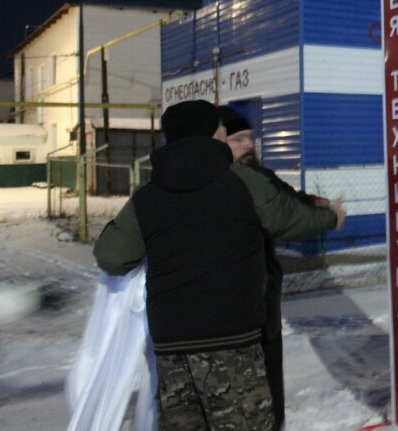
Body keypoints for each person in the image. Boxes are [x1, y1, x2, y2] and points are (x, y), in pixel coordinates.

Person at [94, 100, 346, 430]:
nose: (227, 132)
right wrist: (331, 217)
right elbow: (289, 218)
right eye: (222, 127)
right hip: (233, 341)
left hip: (172, 347)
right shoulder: (241, 181)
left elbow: (111, 256)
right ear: (211, 132)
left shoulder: (148, 196)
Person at [217, 104, 333, 430]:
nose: (248, 145)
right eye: (238, 139)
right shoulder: (215, 184)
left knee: (269, 386)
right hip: (227, 308)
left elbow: (285, 199)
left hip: (264, 299)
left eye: (250, 137)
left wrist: (310, 202)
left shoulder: (261, 176)